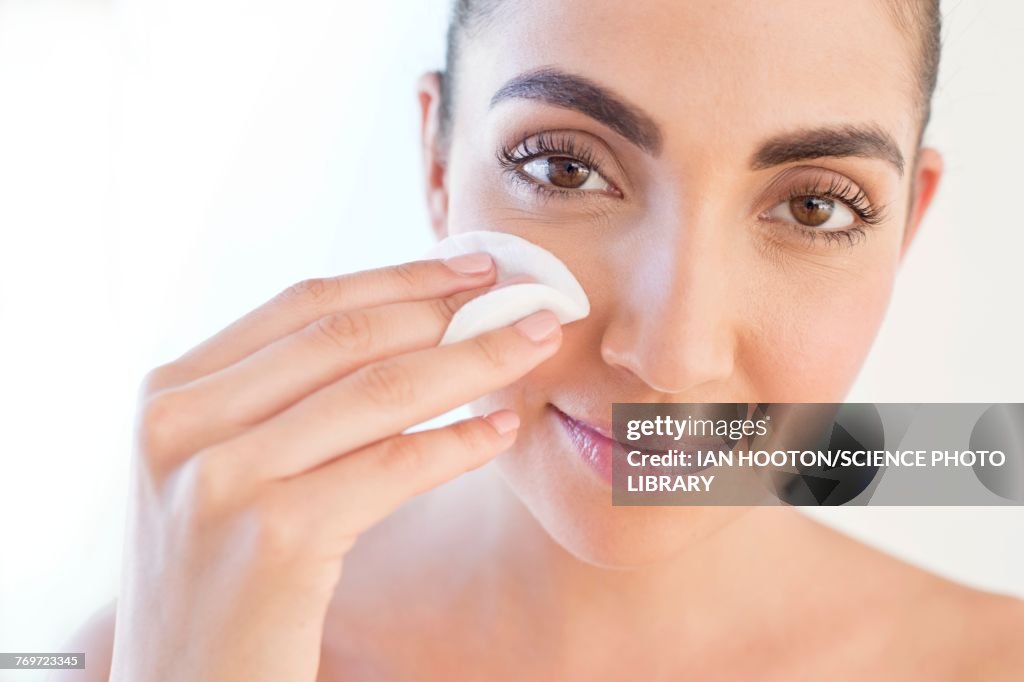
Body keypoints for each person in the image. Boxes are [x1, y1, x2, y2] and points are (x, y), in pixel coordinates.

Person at [62, 1, 1024, 679]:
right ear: (438, 163)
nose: (673, 356)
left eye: (815, 206)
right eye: (565, 168)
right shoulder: (169, 648)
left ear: (905, 230)